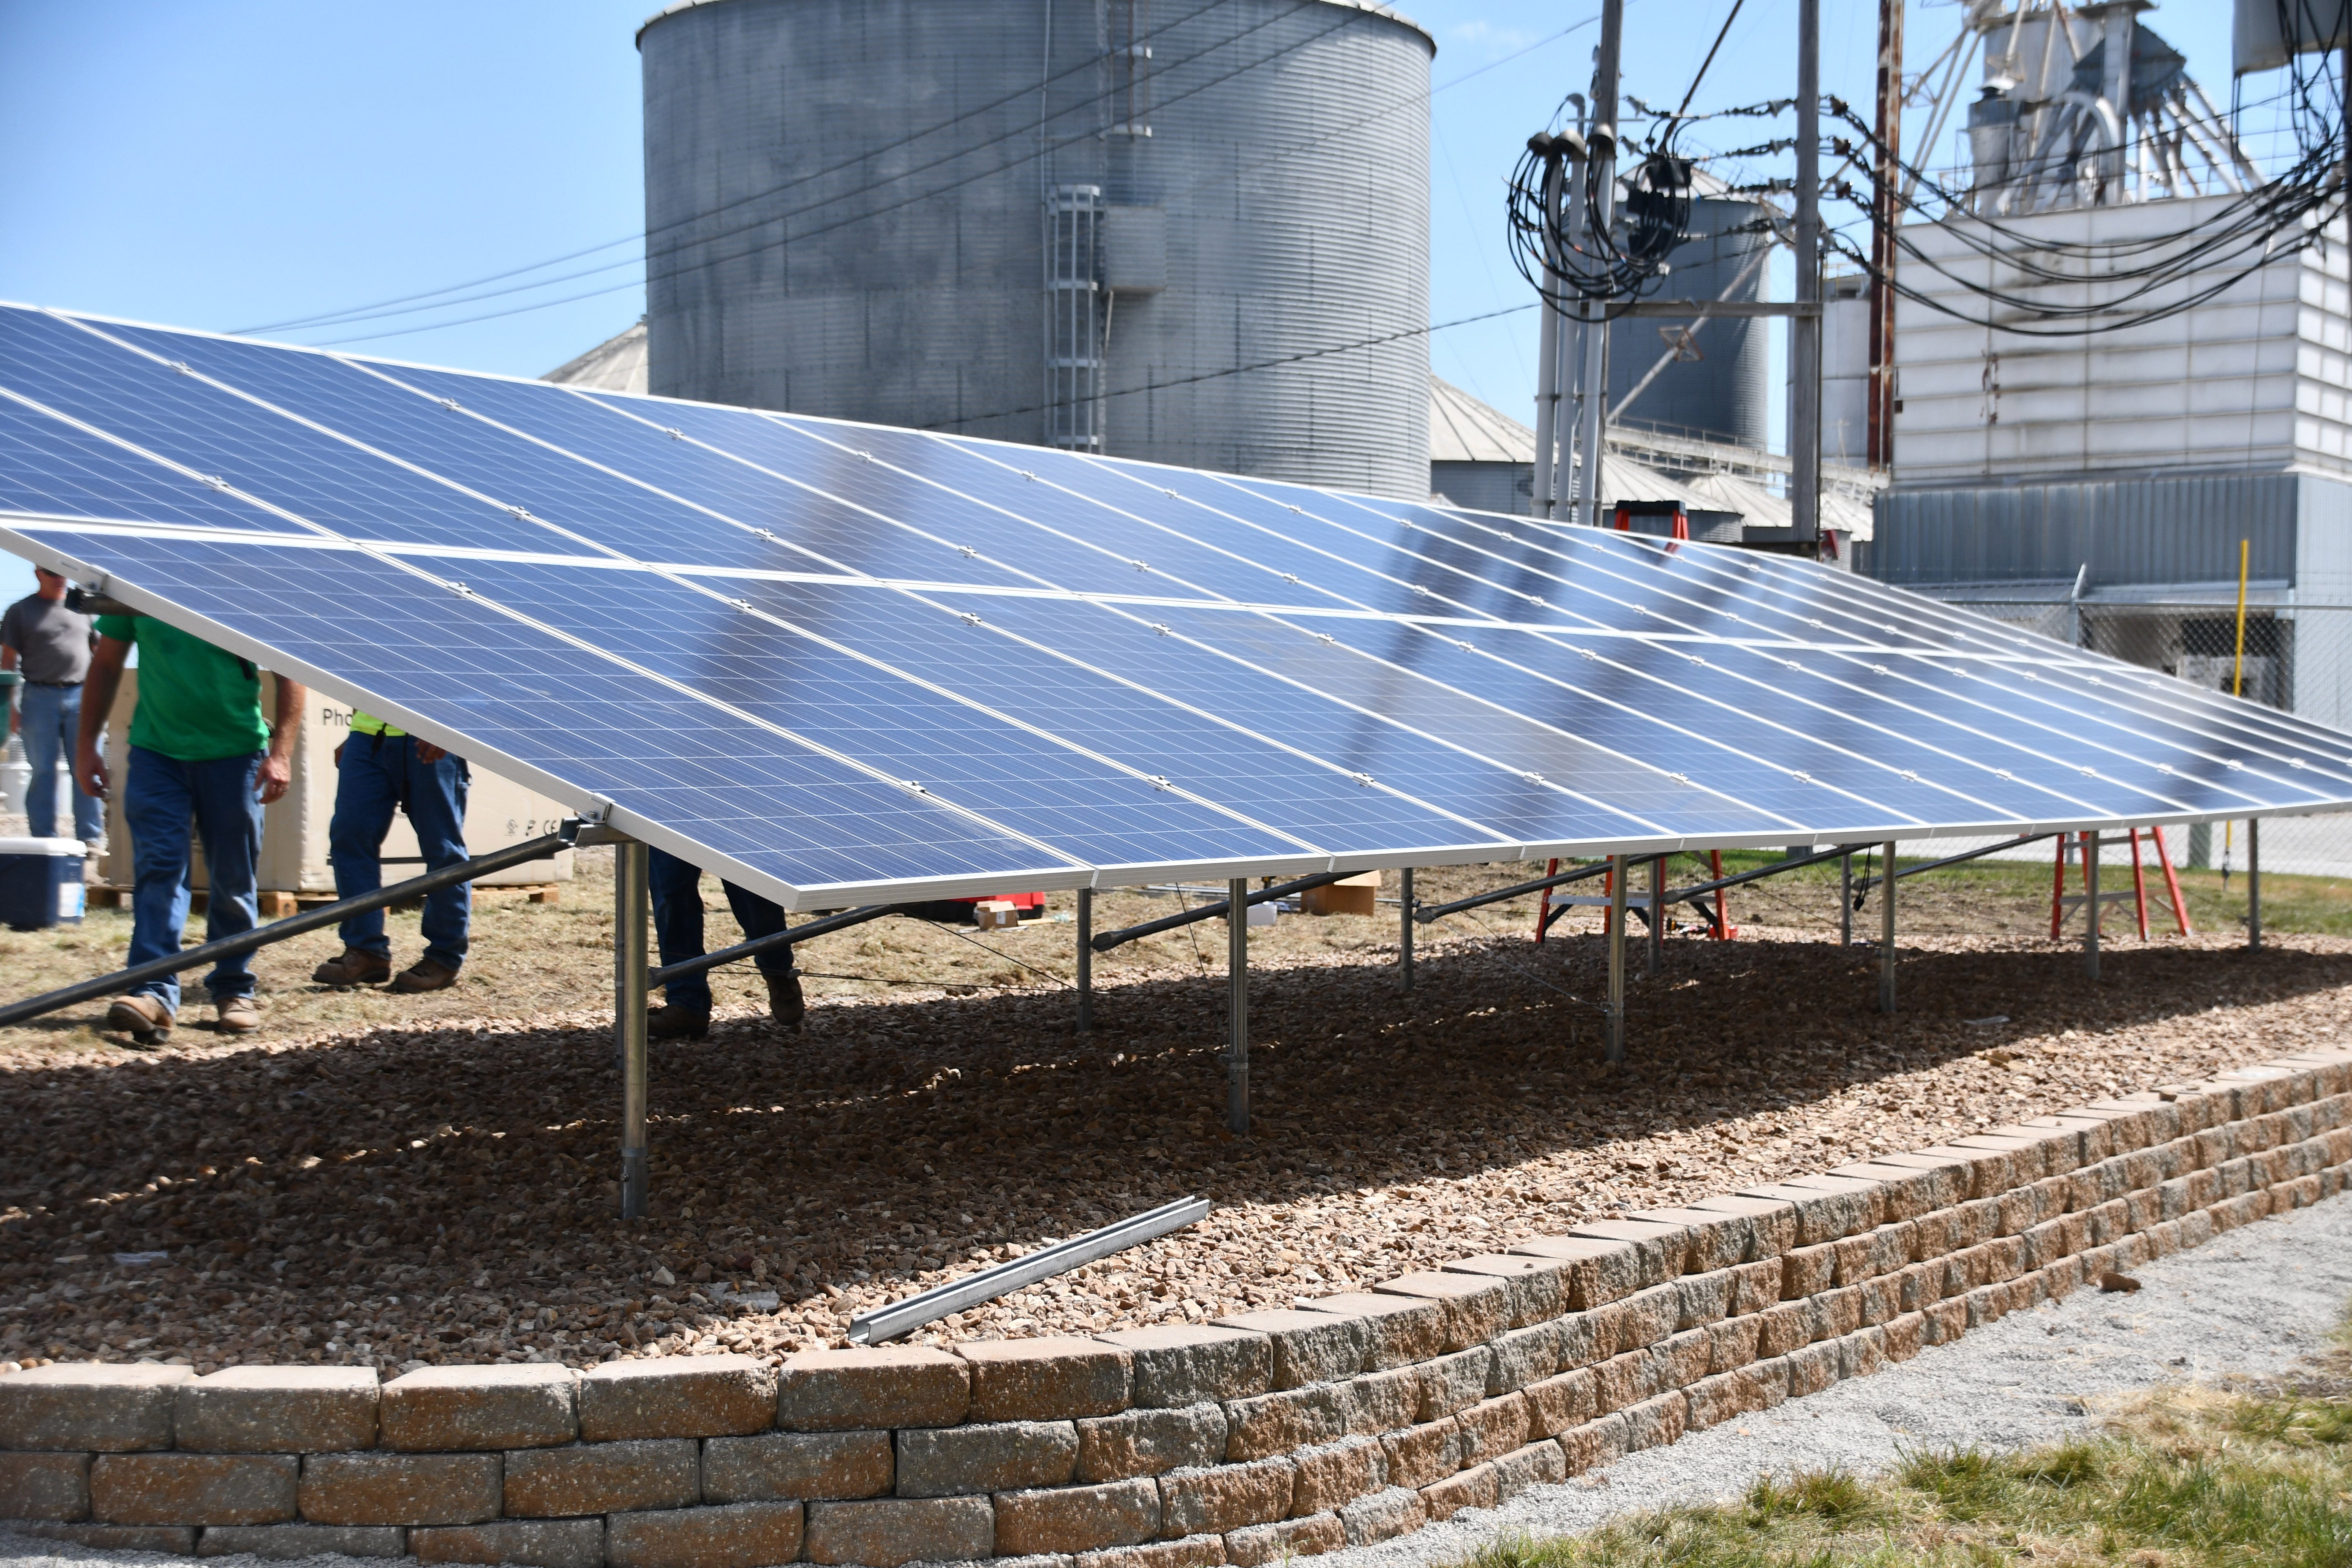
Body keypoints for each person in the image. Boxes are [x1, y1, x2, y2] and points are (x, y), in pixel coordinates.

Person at [74, 613, 304, 1043]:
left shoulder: (245, 590)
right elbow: (106, 664)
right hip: (156, 754)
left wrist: (281, 752)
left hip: (236, 754)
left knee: (234, 878)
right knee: (160, 870)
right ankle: (153, 993)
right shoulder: (140, 590)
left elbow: (292, 669)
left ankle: (234, 989)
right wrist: (87, 744)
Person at [309, 712, 470, 993]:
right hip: (368, 734)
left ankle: (444, 958)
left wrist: (448, 726)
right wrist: (357, 735)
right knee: (350, 838)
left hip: (432, 729)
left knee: (443, 850)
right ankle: (366, 951)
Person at [647, 847, 805, 1037]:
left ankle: (778, 972)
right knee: (669, 890)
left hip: (739, 819)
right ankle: (687, 1003)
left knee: (751, 887)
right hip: (666, 817)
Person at [1, 567, 103, 849]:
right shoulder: (20, 611)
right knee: (43, 770)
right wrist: (9, 707)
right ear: (37, 574)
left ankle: (90, 837)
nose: (58, 578)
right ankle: (43, 838)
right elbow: (7, 661)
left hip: (81, 695)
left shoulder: (84, 607)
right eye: (51, 572)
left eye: (62, 572)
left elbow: (100, 655)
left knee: (84, 767)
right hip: (39, 696)